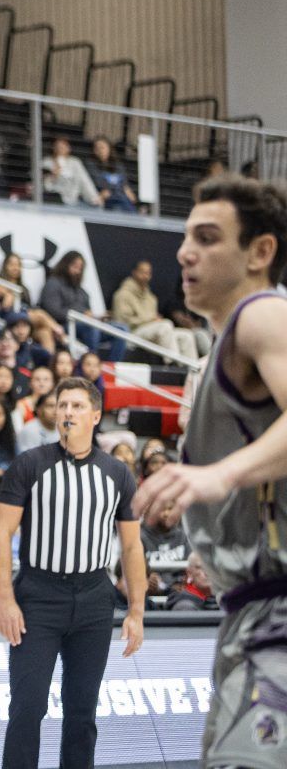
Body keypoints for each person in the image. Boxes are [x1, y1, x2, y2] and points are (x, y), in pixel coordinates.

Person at [132, 175, 287, 767]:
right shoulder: (220, 351)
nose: (184, 252)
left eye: (207, 237)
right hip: (250, 610)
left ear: (259, 252)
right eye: (185, 237)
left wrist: (219, 477)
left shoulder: (260, 315)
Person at [0, 377, 145, 769]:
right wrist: (5, 600)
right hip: (38, 595)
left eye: (77, 406)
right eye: (62, 405)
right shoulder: (29, 464)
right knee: (27, 707)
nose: (68, 413)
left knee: (82, 713)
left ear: (96, 416)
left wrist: (137, 612)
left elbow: (131, 546)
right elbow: (2, 533)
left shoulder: (117, 473)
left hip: (94, 596)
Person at [38, 251, 126, 361]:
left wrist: (97, 318)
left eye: (80, 268)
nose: (77, 271)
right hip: (64, 326)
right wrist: (81, 315)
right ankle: (90, 363)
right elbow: (52, 310)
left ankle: (113, 365)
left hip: (87, 326)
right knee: (91, 327)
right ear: (66, 264)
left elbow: (88, 313)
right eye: (75, 266)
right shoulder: (53, 283)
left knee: (121, 329)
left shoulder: (82, 292)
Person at [111, 259, 199, 360]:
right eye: (142, 272)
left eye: (148, 273)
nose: (146, 276)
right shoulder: (122, 295)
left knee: (186, 336)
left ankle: (193, 372)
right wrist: (151, 319)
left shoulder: (151, 298)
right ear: (134, 273)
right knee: (165, 326)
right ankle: (173, 365)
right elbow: (122, 322)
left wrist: (153, 320)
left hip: (151, 333)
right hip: (132, 334)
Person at [42, 137, 100, 207]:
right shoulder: (46, 163)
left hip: (73, 201)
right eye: (58, 147)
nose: (60, 149)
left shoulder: (75, 162)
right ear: (53, 148)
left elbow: (84, 180)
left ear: (69, 148)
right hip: (53, 201)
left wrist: (94, 198)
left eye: (63, 146)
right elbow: (43, 186)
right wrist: (53, 176)